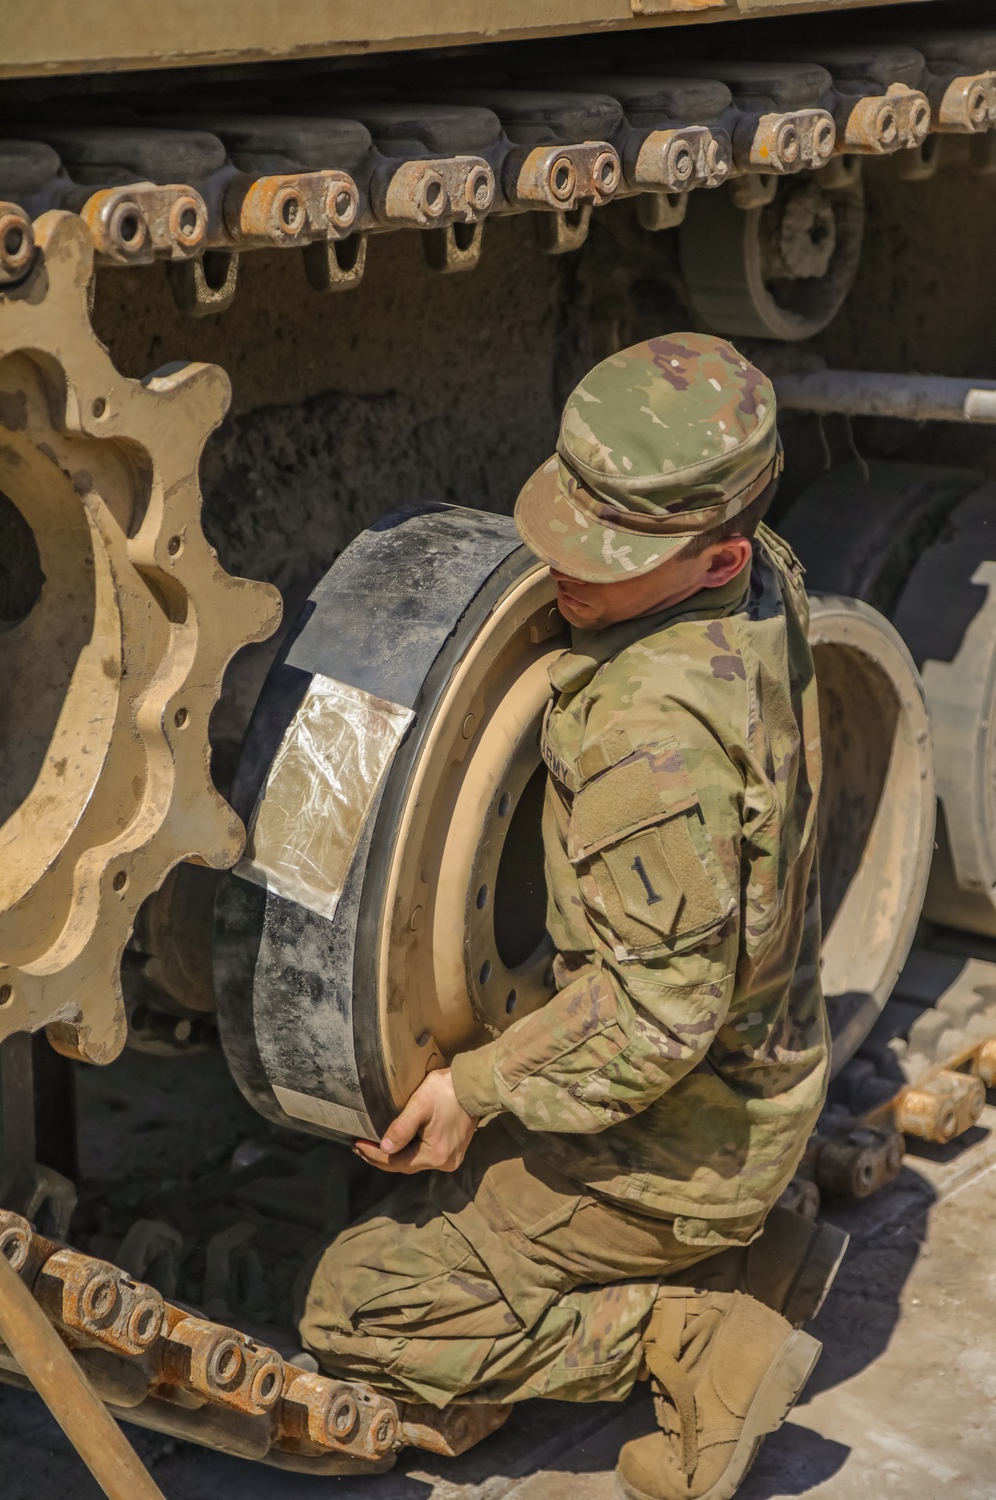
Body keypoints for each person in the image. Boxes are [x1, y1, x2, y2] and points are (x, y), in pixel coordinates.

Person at [298, 333, 832, 1500]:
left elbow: (652, 1016)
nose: (559, 559)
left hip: (673, 1144)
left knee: (358, 1310)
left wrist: (475, 1090)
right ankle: (748, 1246)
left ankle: (688, 1335)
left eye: (607, 550)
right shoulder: (763, 577)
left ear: (716, 555)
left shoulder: (654, 739)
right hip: (754, 1074)